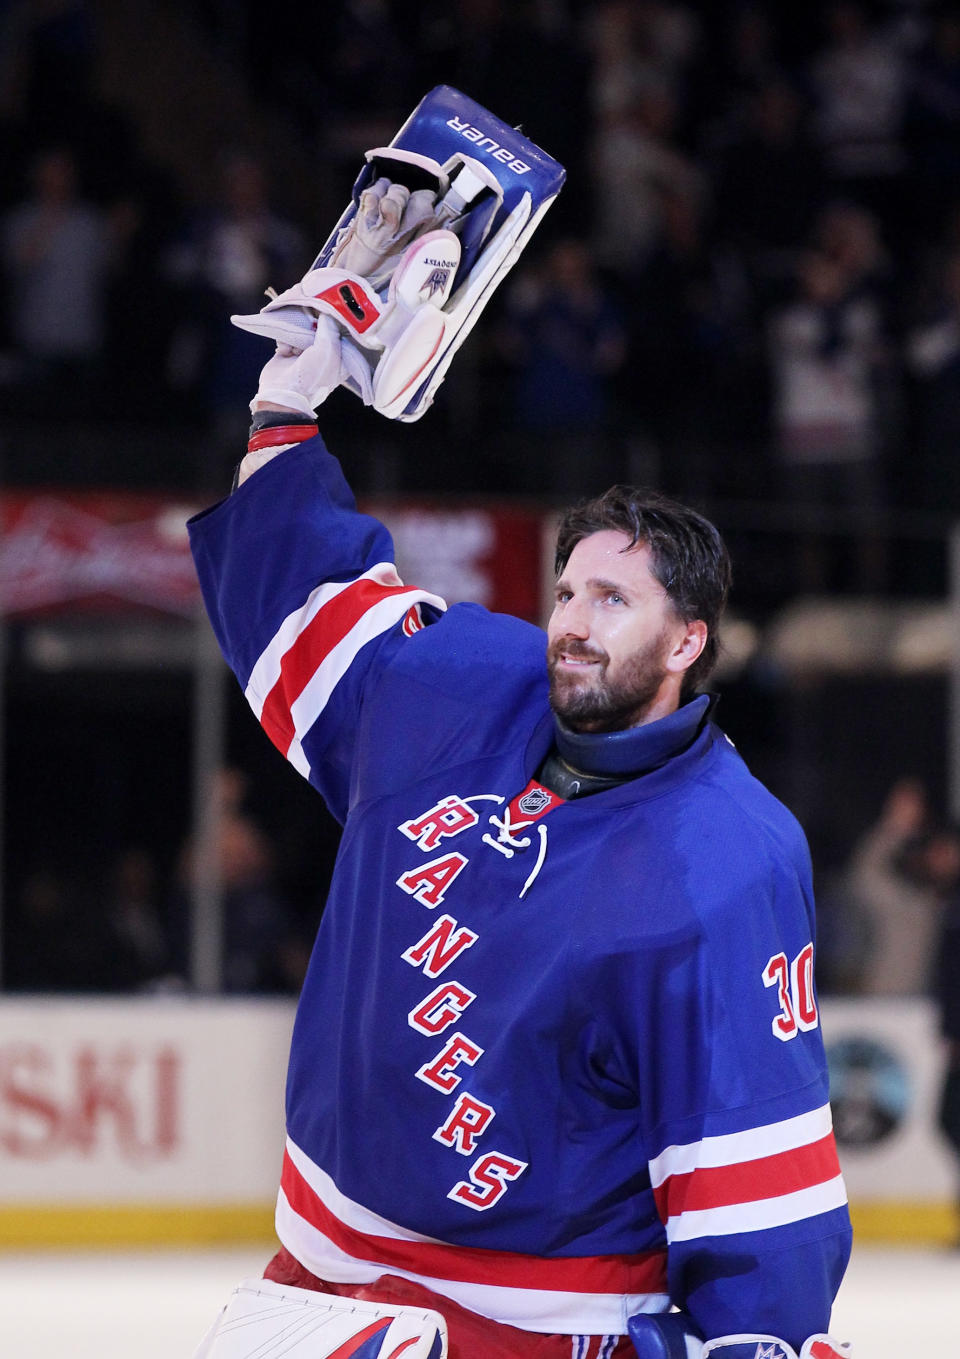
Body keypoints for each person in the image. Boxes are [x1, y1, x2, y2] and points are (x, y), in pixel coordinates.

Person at [187, 272, 852, 1358]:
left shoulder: (729, 856)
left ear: (688, 642)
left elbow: (749, 1156)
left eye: (613, 601)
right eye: (567, 592)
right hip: (317, 1289)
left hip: (533, 1324)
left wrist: (753, 1338)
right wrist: (286, 412)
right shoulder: (461, 685)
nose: (574, 625)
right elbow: (301, 601)